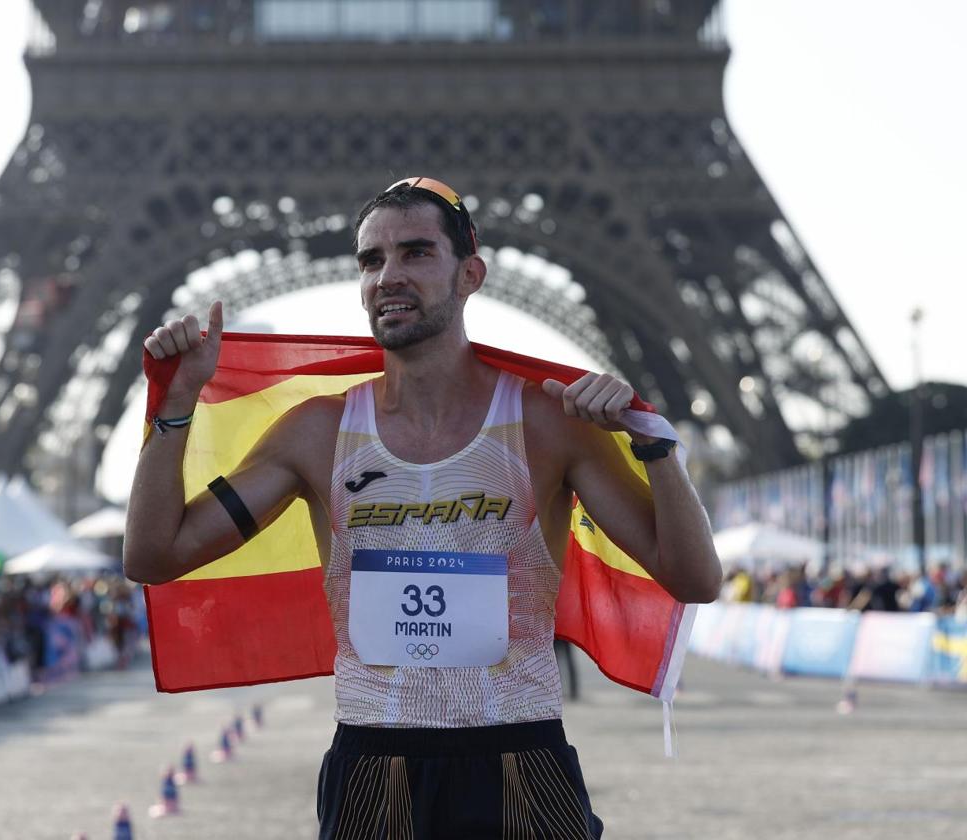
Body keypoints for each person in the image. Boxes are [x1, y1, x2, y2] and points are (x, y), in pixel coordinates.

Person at [125, 177, 722, 838]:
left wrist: (656, 447)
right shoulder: (315, 432)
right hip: (373, 764)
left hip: (520, 756)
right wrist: (173, 409)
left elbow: (693, 578)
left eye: (415, 253)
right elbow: (154, 556)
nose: (389, 276)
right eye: (372, 260)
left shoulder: (550, 422)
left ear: (471, 274)